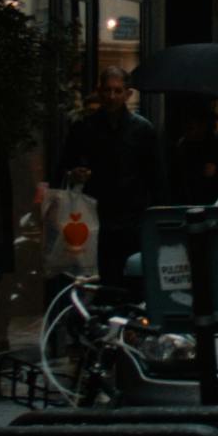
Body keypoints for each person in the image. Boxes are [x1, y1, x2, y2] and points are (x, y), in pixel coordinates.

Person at [55, 63, 163, 299]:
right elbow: (64, 168)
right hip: (96, 218)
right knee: (102, 280)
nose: (112, 96)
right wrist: (74, 174)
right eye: (107, 90)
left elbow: (156, 178)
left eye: (117, 90)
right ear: (99, 91)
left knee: (131, 281)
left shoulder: (142, 130)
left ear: (127, 93)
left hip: (131, 218)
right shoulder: (84, 128)